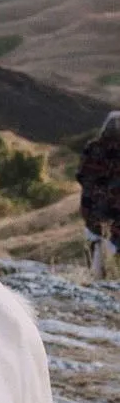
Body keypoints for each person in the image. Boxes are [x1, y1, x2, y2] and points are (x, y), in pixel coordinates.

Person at [77, 111, 120, 278]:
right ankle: (111, 275)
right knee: (113, 237)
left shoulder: (92, 146)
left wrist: (93, 189)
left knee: (96, 236)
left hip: (92, 202)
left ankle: (96, 273)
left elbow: (81, 174)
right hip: (116, 204)